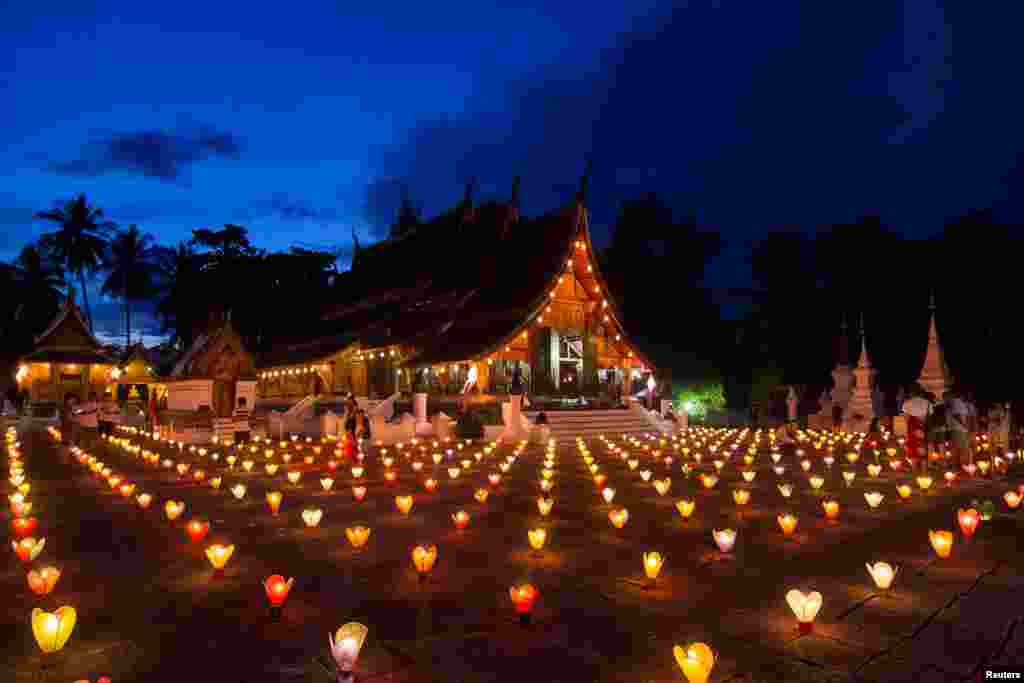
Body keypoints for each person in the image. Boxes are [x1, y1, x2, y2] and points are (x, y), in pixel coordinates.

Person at [902, 386, 932, 471]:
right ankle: (924, 470)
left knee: (913, 450)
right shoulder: (927, 403)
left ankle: (914, 469)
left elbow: (906, 418)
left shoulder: (907, 403)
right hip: (923, 427)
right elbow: (929, 416)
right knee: (922, 448)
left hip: (912, 429)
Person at [945, 388, 974, 466]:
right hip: (959, 429)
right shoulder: (957, 402)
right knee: (960, 447)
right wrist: (965, 426)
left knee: (959, 447)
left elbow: (957, 415)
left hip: (958, 428)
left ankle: (960, 464)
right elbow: (958, 415)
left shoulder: (956, 402)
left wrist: (965, 426)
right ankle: (961, 463)